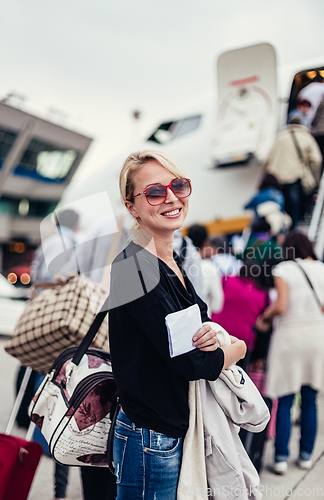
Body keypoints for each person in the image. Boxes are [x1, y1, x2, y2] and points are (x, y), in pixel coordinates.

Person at [108, 150, 246, 499]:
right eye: (155, 192)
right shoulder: (136, 267)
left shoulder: (169, 261)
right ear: (131, 206)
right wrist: (238, 348)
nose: (171, 197)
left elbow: (200, 328)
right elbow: (191, 361)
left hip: (166, 429)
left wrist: (212, 341)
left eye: (178, 185)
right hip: (150, 436)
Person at [256, 232, 324, 475]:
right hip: (317, 337)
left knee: (284, 398)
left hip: (290, 337)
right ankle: (306, 456)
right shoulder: (321, 268)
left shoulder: (283, 269)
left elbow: (282, 306)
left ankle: (281, 458)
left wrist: (265, 316)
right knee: (310, 398)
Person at [30, 209, 80, 500]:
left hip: (39, 311)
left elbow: (36, 276)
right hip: (61, 316)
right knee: (63, 387)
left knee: (43, 378)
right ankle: (59, 485)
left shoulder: (46, 242)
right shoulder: (74, 241)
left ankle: (38, 435)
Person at [263, 117, 322, 228]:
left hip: (276, 178)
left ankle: (281, 229)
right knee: (294, 205)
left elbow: (265, 160)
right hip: (294, 176)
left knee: (279, 207)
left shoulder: (279, 137)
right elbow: (316, 160)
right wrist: (315, 177)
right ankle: (293, 229)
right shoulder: (306, 137)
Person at [211, 259, 267, 371]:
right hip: (242, 340)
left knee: (212, 369)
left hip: (217, 332)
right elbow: (262, 320)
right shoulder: (262, 294)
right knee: (236, 375)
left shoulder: (226, 280)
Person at [187, 223, 223, 316]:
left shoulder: (177, 266)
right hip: (204, 322)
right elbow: (217, 306)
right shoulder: (209, 268)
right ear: (205, 243)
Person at [311, 97, 324, 175]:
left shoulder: (322, 101)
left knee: (319, 156)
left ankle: (317, 176)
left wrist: (313, 125)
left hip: (320, 132)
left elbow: (316, 115)